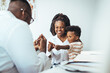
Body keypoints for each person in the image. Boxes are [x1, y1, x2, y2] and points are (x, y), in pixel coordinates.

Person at [0, 0, 49, 73]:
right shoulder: (18, 25)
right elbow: (31, 70)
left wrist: (31, 48)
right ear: (24, 13)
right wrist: (42, 51)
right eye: (30, 19)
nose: (29, 23)